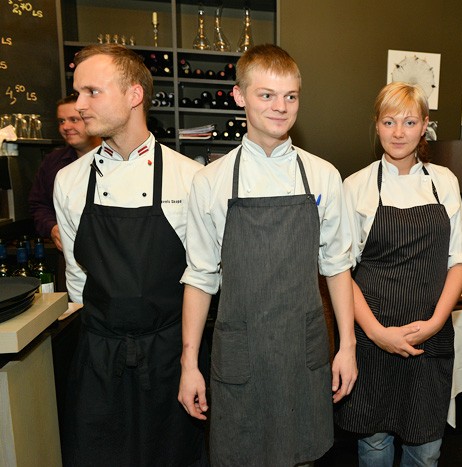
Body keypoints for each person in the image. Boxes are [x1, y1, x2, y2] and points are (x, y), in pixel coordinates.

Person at [177, 44, 358, 466]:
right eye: (267, 95)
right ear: (239, 96)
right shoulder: (210, 181)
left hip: (304, 353)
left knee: (305, 457)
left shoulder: (323, 175)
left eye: (290, 96)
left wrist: (347, 346)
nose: (281, 107)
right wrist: (189, 364)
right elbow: (200, 277)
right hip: (242, 354)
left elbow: (337, 266)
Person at [53, 44, 206, 466]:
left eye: (91, 92)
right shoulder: (68, 181)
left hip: (171, 356)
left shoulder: (191, 178)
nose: (79, 105)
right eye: (77, 92)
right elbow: (78, 278)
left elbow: (204, 275)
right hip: (99, 356)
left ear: (134, 95)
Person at [334, 82, 462, 466]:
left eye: (410, 121)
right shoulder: (356, 186)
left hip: (429, 340)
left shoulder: (445, 182)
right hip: (372, 337)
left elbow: (459, 260)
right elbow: (341, 271)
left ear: (425, 126)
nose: (399, 132)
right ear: (377, 125)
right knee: (375, 445)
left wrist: (434, 322)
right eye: (389, 121)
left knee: (426, 449)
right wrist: (378, 333)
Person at [28, 94, 100, 250]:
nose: (66, 127)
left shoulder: (117, 159)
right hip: (67, 255)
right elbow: (38, 206)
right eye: (61, 121)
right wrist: (52, 228)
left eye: (74, 120)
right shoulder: (53, 162)